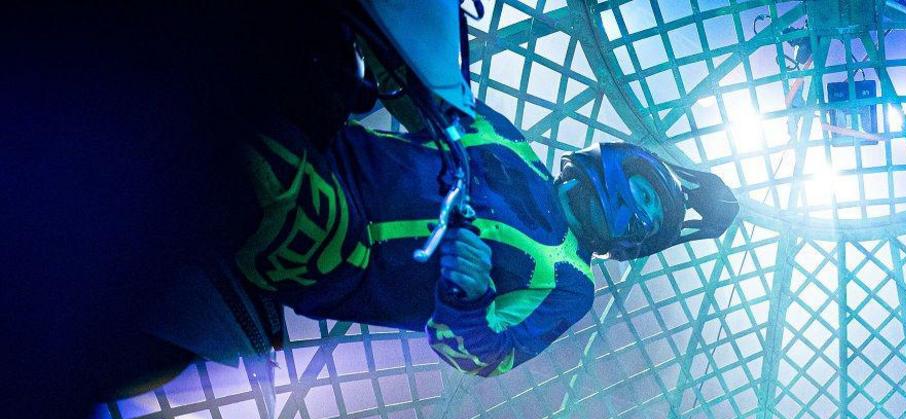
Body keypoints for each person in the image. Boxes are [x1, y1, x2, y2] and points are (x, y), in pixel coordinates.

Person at [233, 17, 737, 378]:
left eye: (646, 220)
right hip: (326, 143)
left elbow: (487, 356)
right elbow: (407, 75)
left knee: (261, 166)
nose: (638, 214)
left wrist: (466, 300)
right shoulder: (508, 140)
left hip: (336, 246)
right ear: (621, 163)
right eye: (647, 195)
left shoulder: (571, 283)